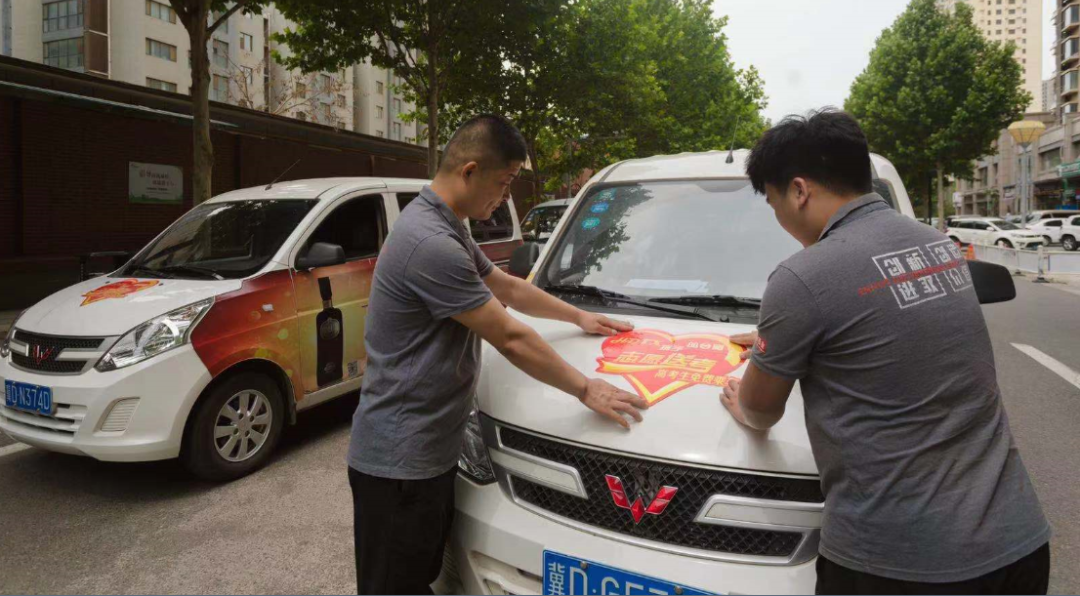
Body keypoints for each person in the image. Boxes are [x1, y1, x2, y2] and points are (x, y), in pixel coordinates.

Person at [721, 109, 1050, 595]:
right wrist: (789, 340)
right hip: (1017, 542)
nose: (779, 218)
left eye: (773, 203)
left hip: (899, 563)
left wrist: (741, 401)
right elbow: (890, 330)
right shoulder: (938, 246)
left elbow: (760, 411)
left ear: (799, 191)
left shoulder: (801, 277)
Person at [347, 114, 648, 595]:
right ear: (469, 171)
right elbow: (509, 336)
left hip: (426, 455)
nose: (506, 195)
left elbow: (506, 286)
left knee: (420, 578)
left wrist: (579, 317)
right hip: (399, 464)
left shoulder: (448, 225)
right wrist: (585, 388)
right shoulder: (430, 242)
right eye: (504, 182)